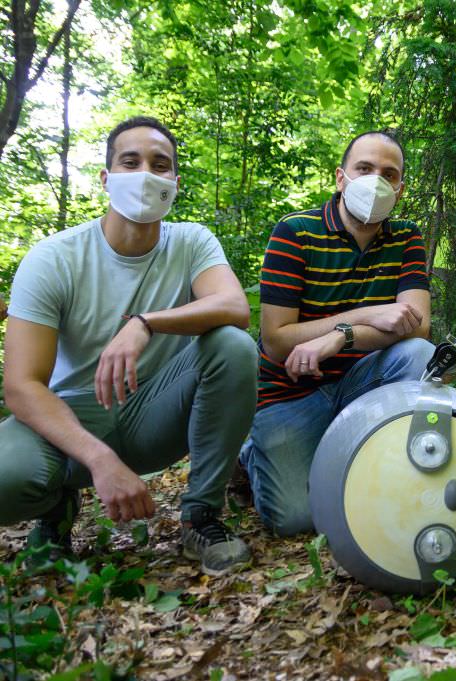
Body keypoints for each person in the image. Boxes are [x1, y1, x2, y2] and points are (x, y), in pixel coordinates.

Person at [1, 116, 257, 574]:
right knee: (6, 478)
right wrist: (100, 459)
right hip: (72, 420)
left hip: (154, 413)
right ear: (105, 178)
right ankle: (54, 511)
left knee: (234, 346)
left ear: (175, 182)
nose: (145, 174)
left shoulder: (191, 242)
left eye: (160, 165)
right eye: (130, 161)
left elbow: (235, 306)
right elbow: (21, 386)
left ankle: (201, 515)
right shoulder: (54, 258)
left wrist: (145, 323)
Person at [239, 130, 434, 536]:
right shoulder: (294, 233)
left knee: (417, 353)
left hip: (363, 386)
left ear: (399, 189)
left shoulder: (407, 238)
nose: (376, 180)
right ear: (341, 177)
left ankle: (379, 458)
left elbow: (418, 326)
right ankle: (249, 453)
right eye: (364, 168)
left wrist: (341, 336)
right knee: (297, 519)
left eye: (389, 173)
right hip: (291, 395)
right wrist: (367, 314)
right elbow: (276, 340)